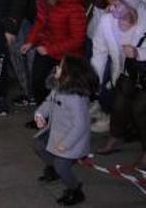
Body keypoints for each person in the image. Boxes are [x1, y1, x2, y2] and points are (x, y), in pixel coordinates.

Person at [93, 0, 146, 168]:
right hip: (125, 74)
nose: (110, 8)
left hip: (144, 73)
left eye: (117, 4)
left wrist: (139, 53)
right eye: (111, 3)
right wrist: (95, 80)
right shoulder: (107, 21)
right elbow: (99, 51)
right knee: (119, 105)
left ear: (131, 5)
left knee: (140, 110)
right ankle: (115, 137)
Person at [33, 56, 96, 206]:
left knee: (62, 165)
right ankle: (53, 168)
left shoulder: (75, 98)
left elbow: (80, 125)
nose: (57, 68)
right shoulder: (59, 86)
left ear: (69, 74)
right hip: (56, 130)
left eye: (60, 67)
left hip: (72, 139)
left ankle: (75, 190)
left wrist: (66, 144)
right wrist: (40, 114)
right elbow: (49, 102)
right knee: (38, 146)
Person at [21, 0, 86, 104]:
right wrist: (30, 41)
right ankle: (42, 117)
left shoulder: (74, 8)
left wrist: (49, 50)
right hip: (46, 47)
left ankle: (56, 120)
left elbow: (78, 40)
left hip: (66, 56)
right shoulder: (43, 0)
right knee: (38, 82)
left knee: (61, 91)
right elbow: (40, 22)